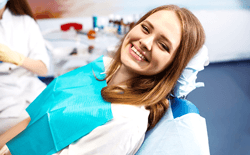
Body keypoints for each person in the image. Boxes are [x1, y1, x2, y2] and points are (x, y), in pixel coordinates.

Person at [0, 4, 208, 155]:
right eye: (145, 28)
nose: (145, 42)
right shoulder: (104, 66)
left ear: (174, 65)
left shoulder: (125, 121)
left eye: (163, 45)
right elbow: (36, 115)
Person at [0, 0, 50, 135]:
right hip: (4, 101)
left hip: (34, 92)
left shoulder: (25, 22)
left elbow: (43, 69)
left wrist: (17, 58)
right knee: (34, 127)